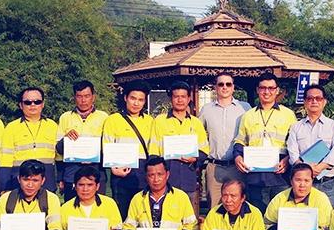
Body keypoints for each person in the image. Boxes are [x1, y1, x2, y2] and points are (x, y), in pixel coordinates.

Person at [233, 72, 297, 215]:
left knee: (281, 217)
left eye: (270, 88)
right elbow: (239, 141)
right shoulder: (248, 116)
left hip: (280, 176)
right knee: (258, 216)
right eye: (263, 88)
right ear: (257, 90)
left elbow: (294, 143)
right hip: (256, 177)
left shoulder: (288, 115)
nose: (266, 92)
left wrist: (288, 160)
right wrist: (238, 157)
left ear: (277, 90)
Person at [148, 81, 208, 214]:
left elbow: (204, 150)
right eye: (176, 96)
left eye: (183, 96)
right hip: (167, 180)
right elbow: (153, 152)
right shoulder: (159, 121)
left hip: (188, 179)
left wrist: (195, 159)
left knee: (187, 217)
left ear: (189, 99)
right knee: (164, 217)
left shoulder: (196, 123)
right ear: (170, 99)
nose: (180, 100)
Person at [199, 73, 251, 209]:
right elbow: (194, 131)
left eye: (228, 84)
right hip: (214, 166)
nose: (225, 87)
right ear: (215, 87)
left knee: (238, 207)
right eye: (221, 84)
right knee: (214, 207)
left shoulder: (245, 108)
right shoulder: (206, 109)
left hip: (237, 167)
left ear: (233, 87)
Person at [103, 80, 153, 220]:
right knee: (121, 216)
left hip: (143, 177)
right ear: (125, 97)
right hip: (121, 177)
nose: (136, 103)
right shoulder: (112, 120)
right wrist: (113, 168)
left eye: (140, 100)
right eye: (133, 98)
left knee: (143, 216)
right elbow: (106, 148)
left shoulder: (151, 122)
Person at [287, 84, 334, 207]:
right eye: (310, 98)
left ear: (324, 102)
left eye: (318, 98)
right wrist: (306, 169)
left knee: (326, 220)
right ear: (304, 102)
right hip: (301, 184)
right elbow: (292, 153)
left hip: (326, 182)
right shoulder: (296, 127)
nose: (314, 101)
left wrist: (319, 168)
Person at [55, 80, 109, 202]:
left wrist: (92, 157)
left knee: (97, 211)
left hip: (96, 174)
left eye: (87, 96)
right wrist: (66, 139)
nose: (83, 100)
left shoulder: (103, 117)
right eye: (79, 96)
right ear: (74, 98)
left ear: (93, 97)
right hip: (71, 175)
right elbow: (58, 151)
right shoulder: (65, 117)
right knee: (72, 211)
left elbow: (108, 147)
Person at [0, 88, 59, 194]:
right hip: (20, 180)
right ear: (21, 105)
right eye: (28, 102)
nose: (32, 105)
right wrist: (5, 186)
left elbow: (59, 156)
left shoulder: (53, 125)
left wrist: (61, 179)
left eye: (37, 102)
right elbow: (5, 159)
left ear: (43, 104)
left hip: (47, 180)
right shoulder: (12, 127)